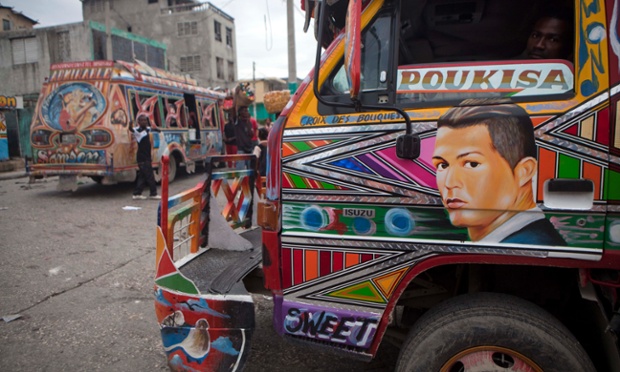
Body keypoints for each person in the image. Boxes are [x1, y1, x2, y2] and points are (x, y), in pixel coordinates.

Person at [432, 98, 566, 245]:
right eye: (443, 165)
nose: (450, 183)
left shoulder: (531, 247)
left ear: (524, 171)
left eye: (472, 164)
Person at [129, 114, 161, 200]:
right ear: (138, 122)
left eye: (145, 120)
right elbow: (131, 129)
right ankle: (153, 193)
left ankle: (137, 193)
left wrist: (158, 130)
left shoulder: (147, 129)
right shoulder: (137, 131)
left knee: (143, 176)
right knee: (150, 176)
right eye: (142, 120)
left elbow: (153, 129)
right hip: (142, 158)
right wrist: (130, 125)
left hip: (147, 156)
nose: (144, 122)